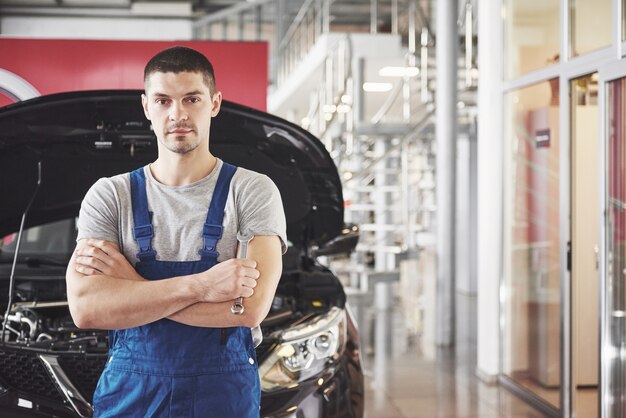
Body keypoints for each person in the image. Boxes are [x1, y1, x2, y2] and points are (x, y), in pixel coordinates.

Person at [65, 46, 287, 417]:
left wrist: (130, 288)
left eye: (192, 99)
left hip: (221, 397)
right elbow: (87, 310)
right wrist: (203, 287)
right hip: (131, 396)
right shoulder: (110, 195)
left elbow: (248, 309)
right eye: (163, 100)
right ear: (146, 107)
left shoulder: (251, 190)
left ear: (214, 103)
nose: (178, 114)